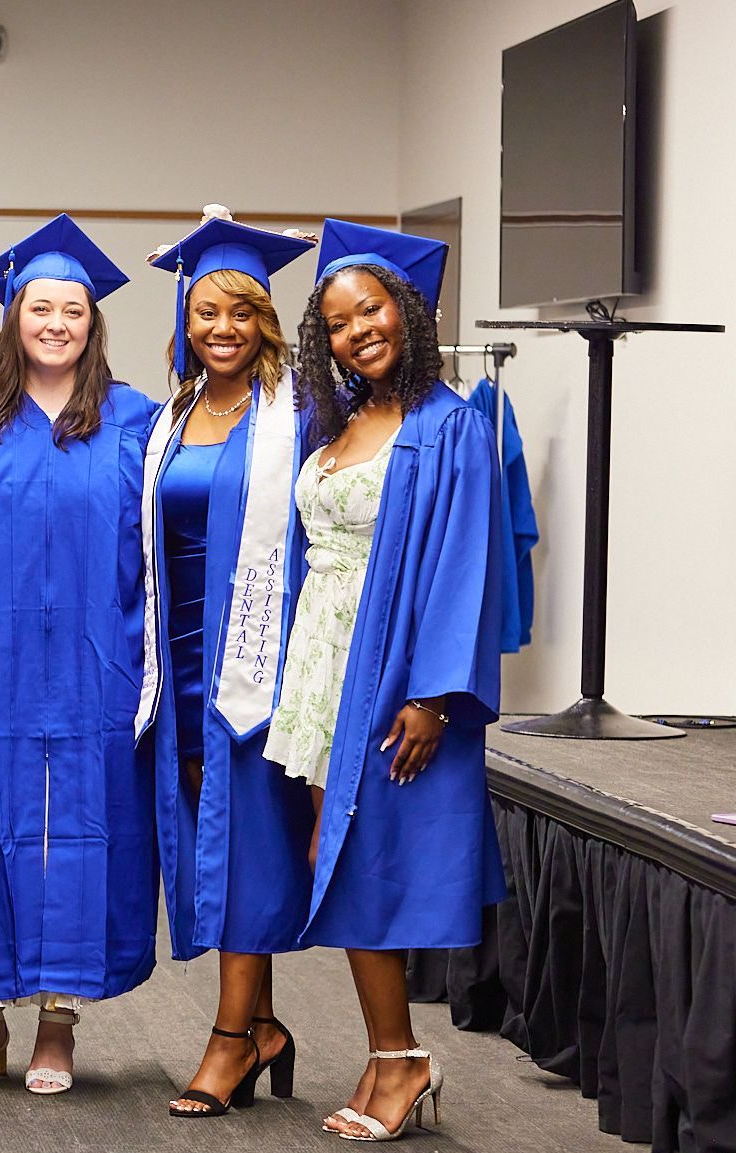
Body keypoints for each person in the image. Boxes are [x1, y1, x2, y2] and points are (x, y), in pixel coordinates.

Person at [264, 219, 505, 1142]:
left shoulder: (449, 427)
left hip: (394, 660)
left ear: (406, 312)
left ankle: (402, 1058)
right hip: (324, 662)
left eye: (370, 309)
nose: (355, 329)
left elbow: (464, 567)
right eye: (334, 321)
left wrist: (433, 694)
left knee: (370, 858)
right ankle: (389, 1054)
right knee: (339, 851)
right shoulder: (336, 420)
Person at [0, 214, 160, 1096]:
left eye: (72, 310)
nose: (56, 324)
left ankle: (59, 1021)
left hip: (101, 662)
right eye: (39, 308)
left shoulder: (135, 416)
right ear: (13, 319)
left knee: (86, 835)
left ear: (93, 323)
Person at [137, 215, 318, 1117]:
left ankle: (230, 1039)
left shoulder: (301, 410)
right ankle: (270, 1022)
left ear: (266, 322)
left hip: (257, 648)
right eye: (206, 310)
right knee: (221, 832)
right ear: (186, 317)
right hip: (180, 658)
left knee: (247, 837)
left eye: (240, 312)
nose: (221, 327)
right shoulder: (171, 415)